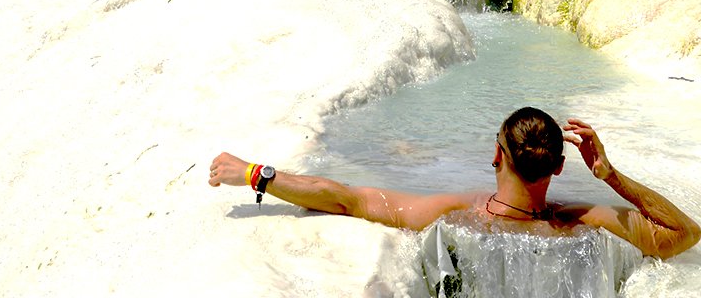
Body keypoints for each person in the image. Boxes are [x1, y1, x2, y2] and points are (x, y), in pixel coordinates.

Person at [209, 108, 700, 274]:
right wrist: (610, 176)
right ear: (561, 164)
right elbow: (684, 233)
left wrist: (256, 173)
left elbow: (344, 198)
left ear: (496, 156)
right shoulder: (582, 221)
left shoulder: (456, 215)